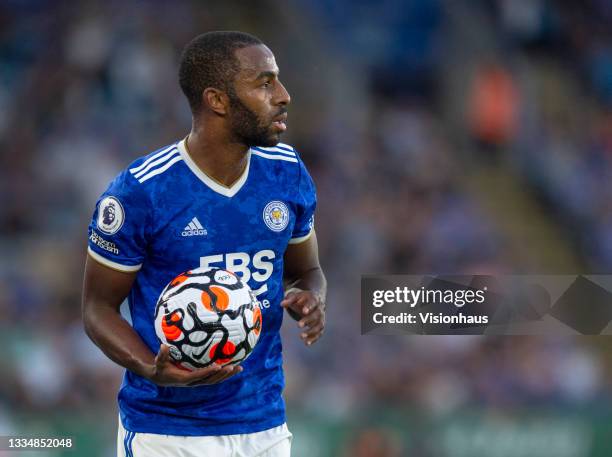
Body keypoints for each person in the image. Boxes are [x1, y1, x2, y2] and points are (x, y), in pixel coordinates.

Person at [82, 31, 326, 457]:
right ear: (218, 100)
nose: (284, 95)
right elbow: (97, 308)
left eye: (278, 80)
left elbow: (306, 272)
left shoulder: (286, 172)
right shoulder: (142, 192)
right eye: (265, 83)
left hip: (264, 426)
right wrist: (150, 368)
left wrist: (311, 297)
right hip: (166, 432)